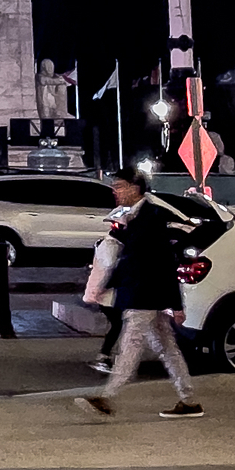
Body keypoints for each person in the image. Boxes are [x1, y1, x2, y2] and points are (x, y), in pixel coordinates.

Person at [75, 168, 203, 420]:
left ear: (135, 188)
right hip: (143, 295)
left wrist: (176, 304)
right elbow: (129, 260)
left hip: (144, 295)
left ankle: (107, 397)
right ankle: (189, 400)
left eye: (120, 186)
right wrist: (106, 284)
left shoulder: (151, 218)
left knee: (131, 346)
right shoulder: (134, 218)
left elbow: (164, 263)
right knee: (167, 348)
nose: (115, 191)